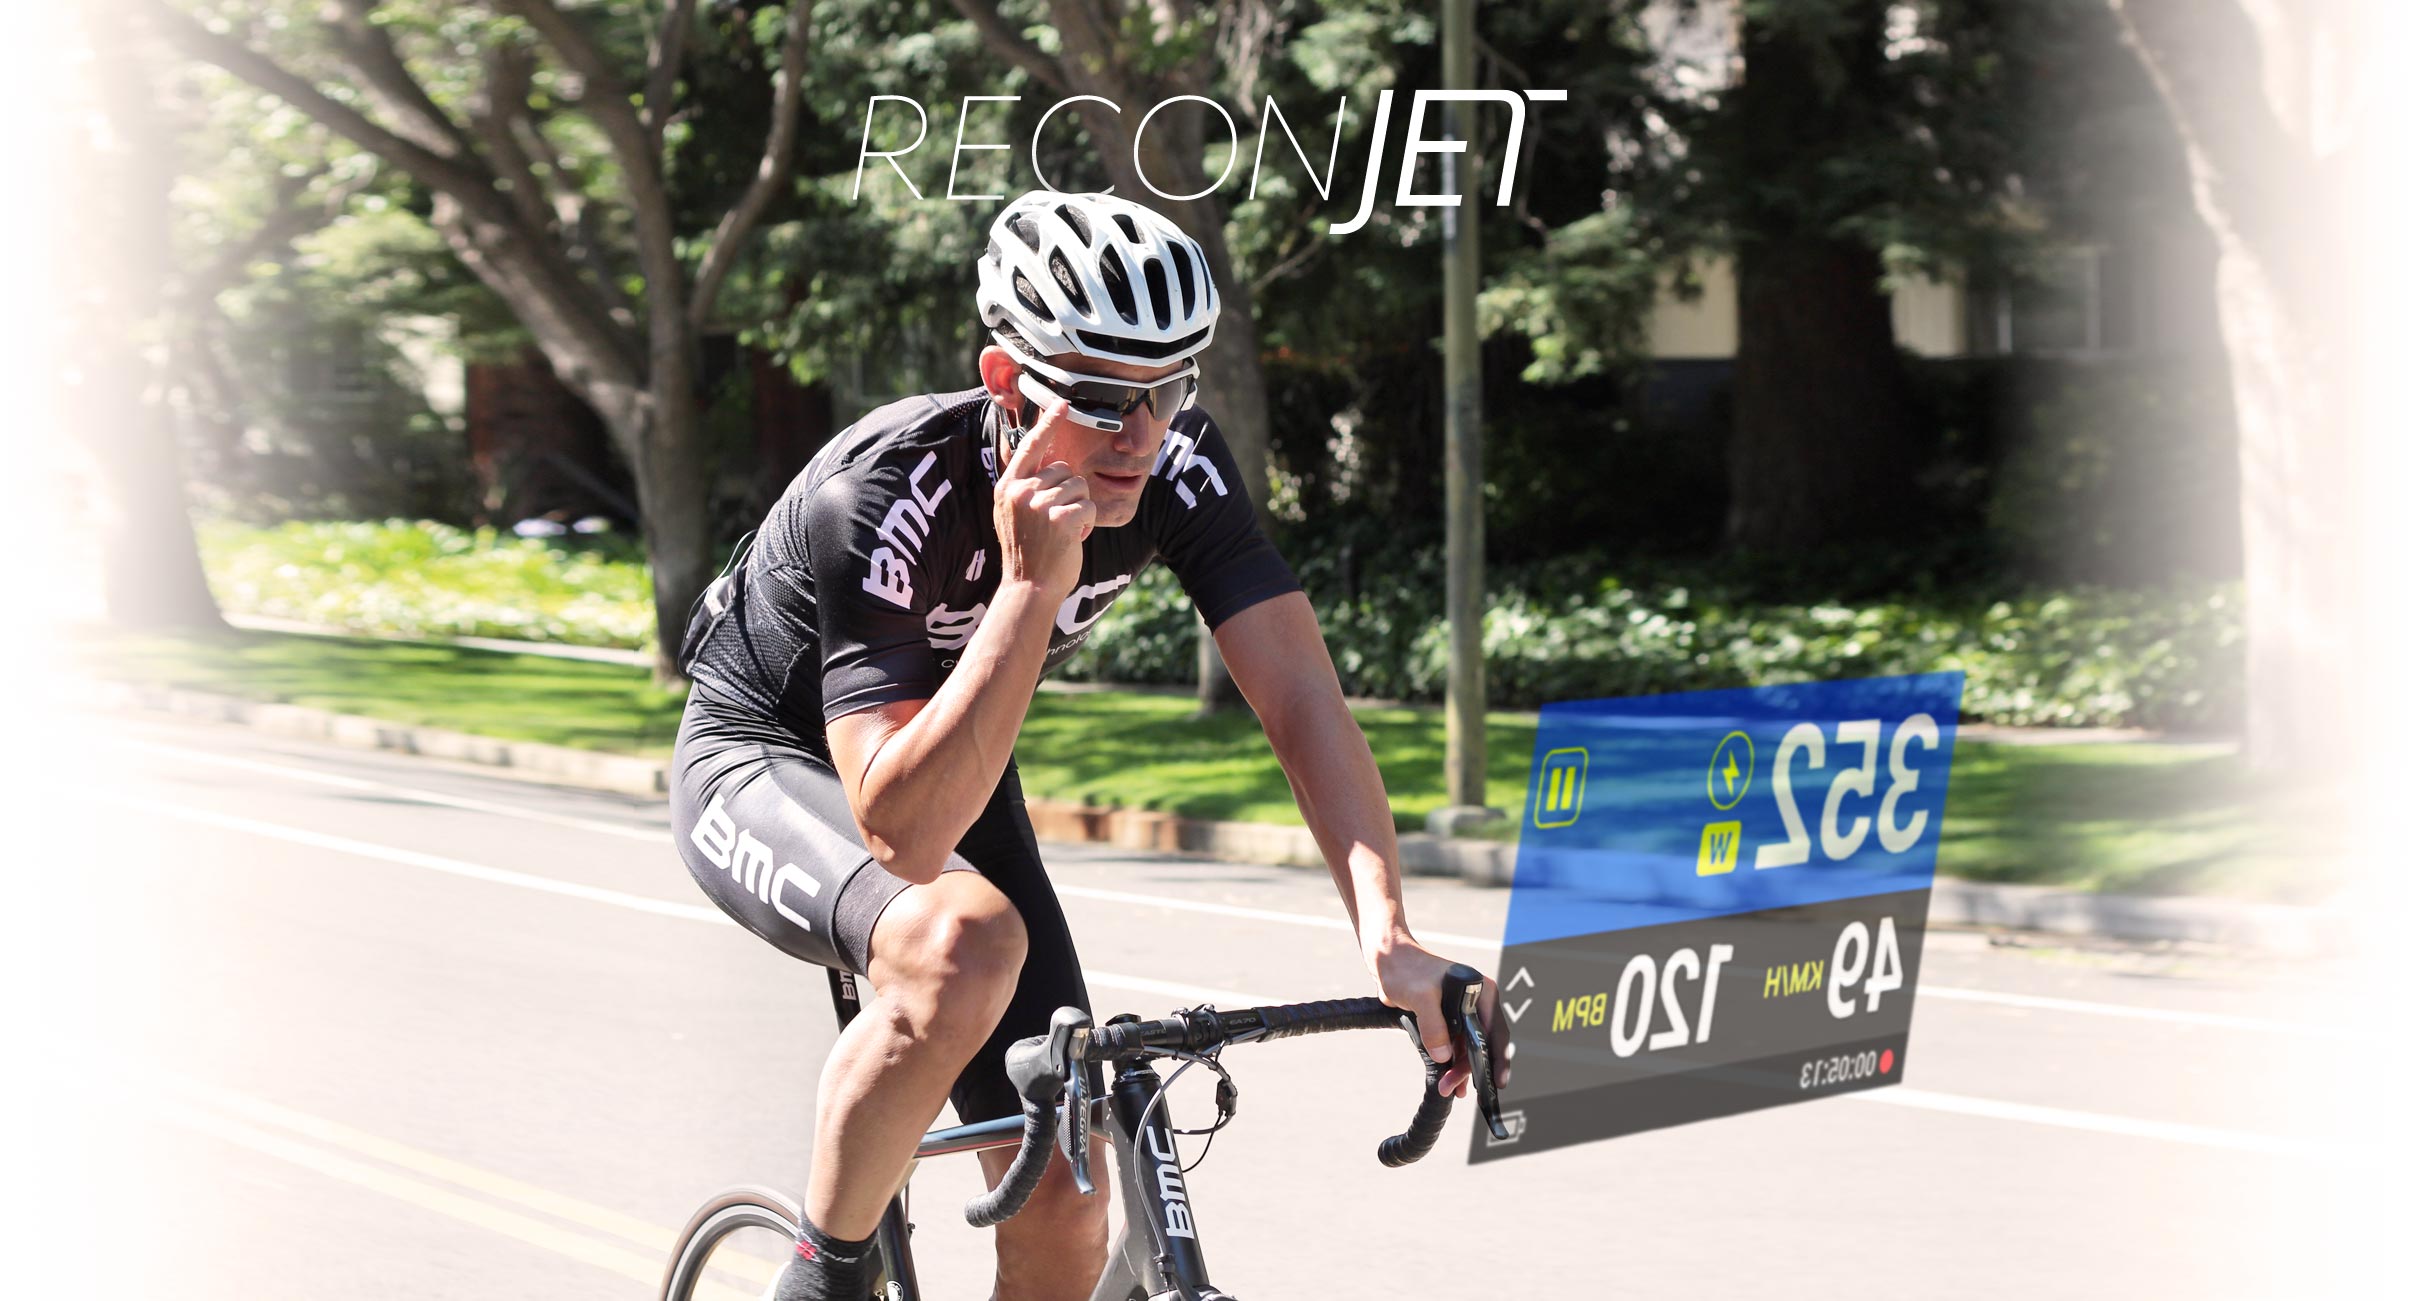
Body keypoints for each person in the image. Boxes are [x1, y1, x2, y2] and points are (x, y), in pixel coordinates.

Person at [671, 189, 1508, 1301]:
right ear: (1006, 381)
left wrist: (1389, 936)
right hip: (769, 758)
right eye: (1104, 397)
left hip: (950, 748)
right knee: (960, 942)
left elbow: (1301, 697)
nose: (1140, 434)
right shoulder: (878, 493)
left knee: (1065, 1202)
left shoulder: (1175, 464)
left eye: (1169, 388)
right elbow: (901, 831)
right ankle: (820, 1278)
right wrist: (1030, 584)